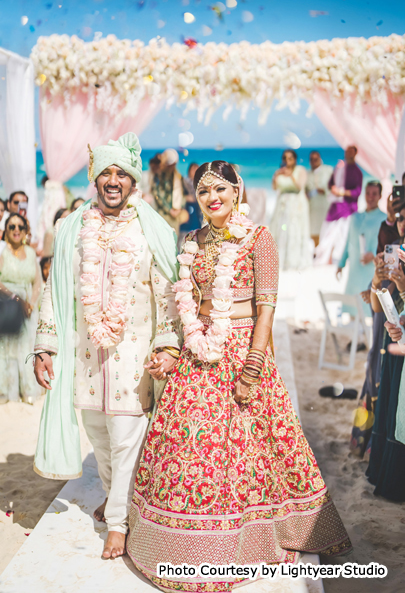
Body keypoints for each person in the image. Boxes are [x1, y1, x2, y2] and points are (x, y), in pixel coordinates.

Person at [126, 160, 352, 590]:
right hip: (200, 347)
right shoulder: (191, 241)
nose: (213, 198)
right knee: (187, 440)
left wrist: (254, 361)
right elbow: (184, 307)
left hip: (244, 345)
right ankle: (177, 544)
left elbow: (267, 306)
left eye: (221, 190)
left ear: (237, 192)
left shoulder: (258, 238)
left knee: (250, 447)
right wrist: (174, 349)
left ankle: (245, 539)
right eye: (204, 191)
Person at [32, 132, 181, 559]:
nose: (113, 181)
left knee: (126, 436)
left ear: (134, 182)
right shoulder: (72, 228)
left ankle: (119, 521)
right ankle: (121, 496)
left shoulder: (151, 228)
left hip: (132, 355)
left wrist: (168, 345)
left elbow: (168, 291)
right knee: (98, 434)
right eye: (105, 173)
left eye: (122, 174)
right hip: (86, 356)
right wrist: (45, 346)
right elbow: (54, 290)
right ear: (95, 180)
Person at [364, 204, 405, 500]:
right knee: (390, 412)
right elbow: (379, 306)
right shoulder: (397, 254)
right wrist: (379, 280)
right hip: (396, 342)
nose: (402, 222)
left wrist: (402, 286)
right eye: (400, 218)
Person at [0, 214, 42, 403]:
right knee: (6, 349)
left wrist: (31, 303)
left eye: (20, 226)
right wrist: (15, 298)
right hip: (6, 305)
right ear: (6, 231)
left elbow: (37, 282)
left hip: (28, 308)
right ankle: (7, 391)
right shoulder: (2, 252)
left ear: (25, 230)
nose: (16, 230)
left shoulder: (31, 253)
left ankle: (28, 391)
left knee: (27, 347)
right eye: (11, 226)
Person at [336, 181, 386, 315]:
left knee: (368, 310)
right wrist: (341, 264)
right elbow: (348, 241)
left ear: (380, 196)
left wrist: (374, 254)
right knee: (352, 309)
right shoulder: (355, 217)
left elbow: (387, 244)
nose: (370, 197)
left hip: (371, 270)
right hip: (355, 270)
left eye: (374, 194)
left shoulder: (384, 219)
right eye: (368, 193)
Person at [315, 146, 363, 265]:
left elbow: (357, 192)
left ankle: (339, 259)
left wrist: (342, 192)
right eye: (347, 152)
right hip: (336, 206)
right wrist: (334, 190)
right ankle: (325, 257)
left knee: (343, 234)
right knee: (328, 232)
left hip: (348, 208)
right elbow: (330, 183)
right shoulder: (339, 167)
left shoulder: (357, 172)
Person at [270, 149, 311, 270]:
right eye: (285, 158)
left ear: (295, 160)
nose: (287, 161)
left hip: (297, 205)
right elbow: (274, 187)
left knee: (295, 231)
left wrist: (290, 175)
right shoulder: (280, 171)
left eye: (290, 158)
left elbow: (300, 186)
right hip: (283, 205)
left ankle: (295, 261)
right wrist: (277, 175)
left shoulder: (300, 170)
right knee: (282, 230)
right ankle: (281, 260)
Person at [151, 148, 187, 235]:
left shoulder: (178, 177)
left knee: (174, 240)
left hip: (175, 216)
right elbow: (157, 195)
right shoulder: (158, 177)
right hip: (163, 215)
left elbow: (183, 194)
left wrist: (180, 208)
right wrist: (169, 210)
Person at [305, 150, 333, 246]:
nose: (314, 162)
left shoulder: (328, 170)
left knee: (325, 228)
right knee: (312, 228)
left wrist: (324, 190)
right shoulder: (307, 174)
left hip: (325, 204)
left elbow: (334, 186)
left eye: (316, 159)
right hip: (312, 206)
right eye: (312, 160)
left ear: (320, 159)